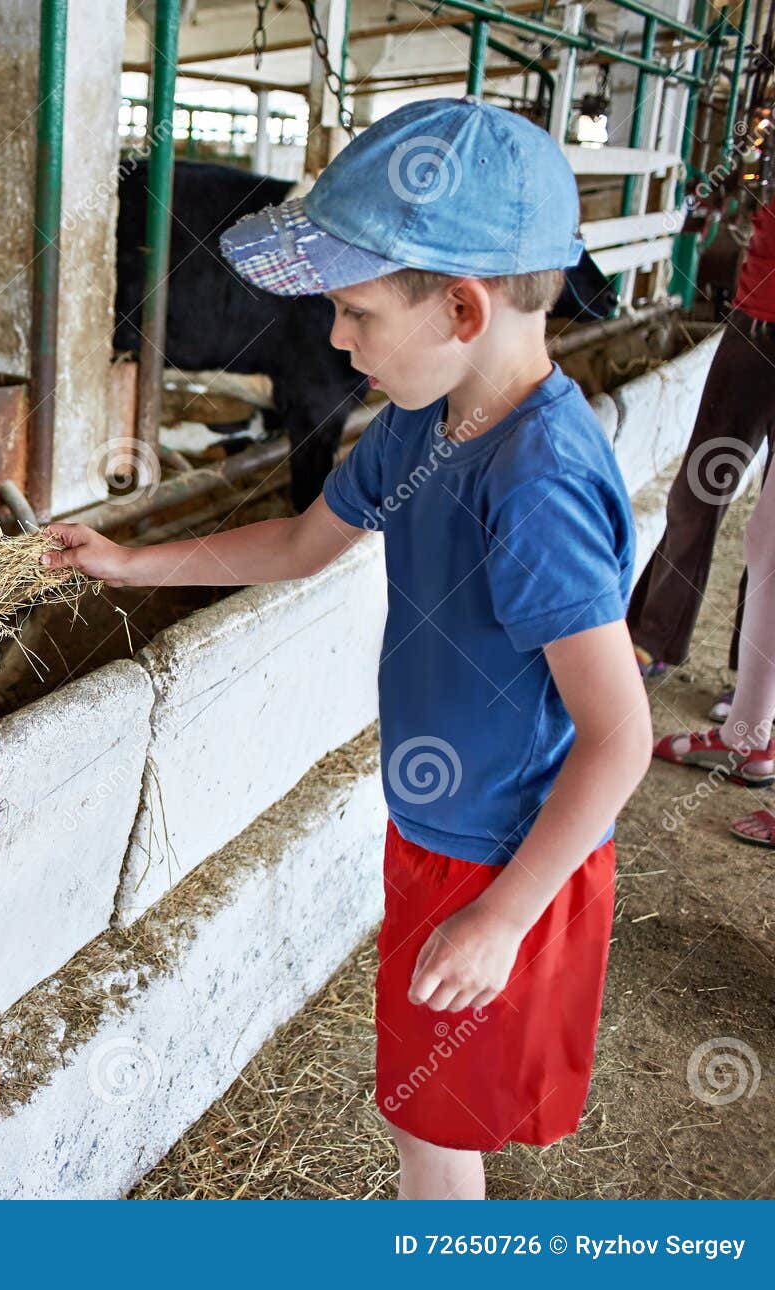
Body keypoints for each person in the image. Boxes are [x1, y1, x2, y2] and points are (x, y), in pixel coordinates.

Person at [43, 99, 654, 1200]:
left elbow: (619, 740)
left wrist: (503, 916)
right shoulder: (425, 423)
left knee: (431, 1129)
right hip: (442, 837)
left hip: (500, 857)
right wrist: (129, 565)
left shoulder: (539, 482)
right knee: (431, 1113)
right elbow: (297, 541)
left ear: (463, 306)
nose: (334, 339)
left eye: (355, 312)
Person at [627, 195, 775, 724]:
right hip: (755, 325)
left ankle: (755, 684)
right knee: (697, 491)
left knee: (771, 528)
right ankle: (655, 636)